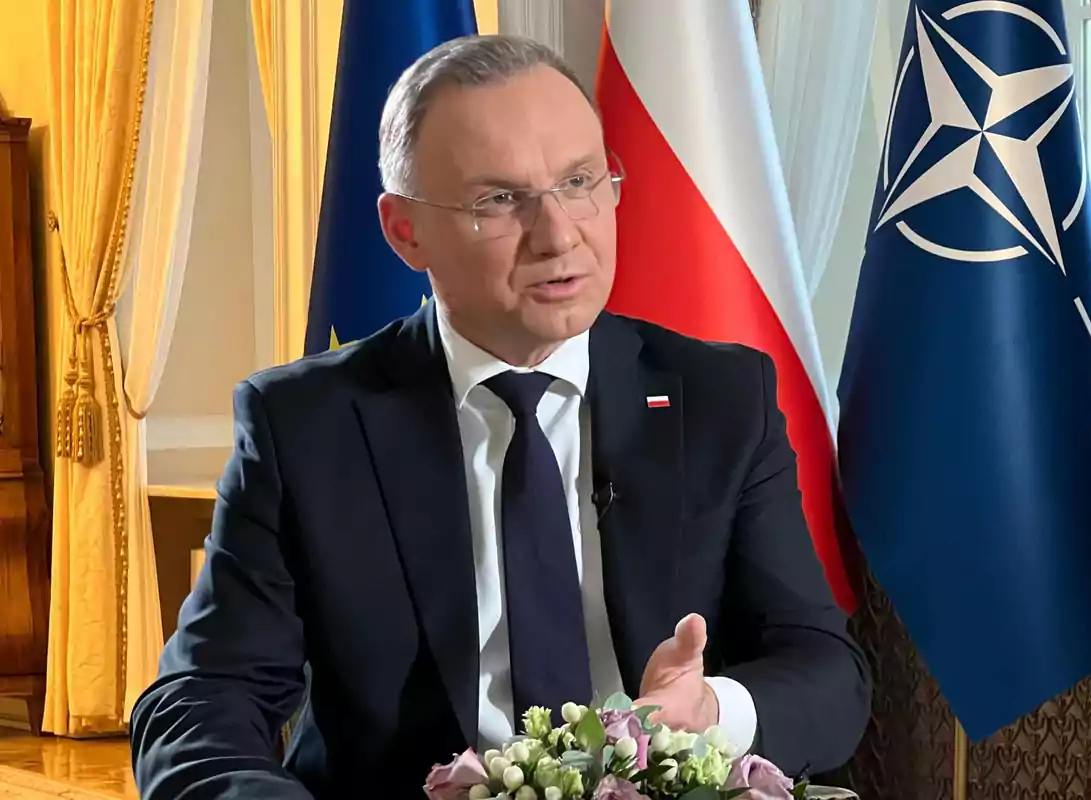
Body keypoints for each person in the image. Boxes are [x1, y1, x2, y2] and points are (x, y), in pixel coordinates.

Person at [129, 34, 871, 799]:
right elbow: (201, 704)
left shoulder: (718, 399)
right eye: (499, 200)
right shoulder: (307, 427)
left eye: (581, 181)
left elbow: (826, 674)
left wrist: (708, 709)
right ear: (403, 229)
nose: (559, 235)